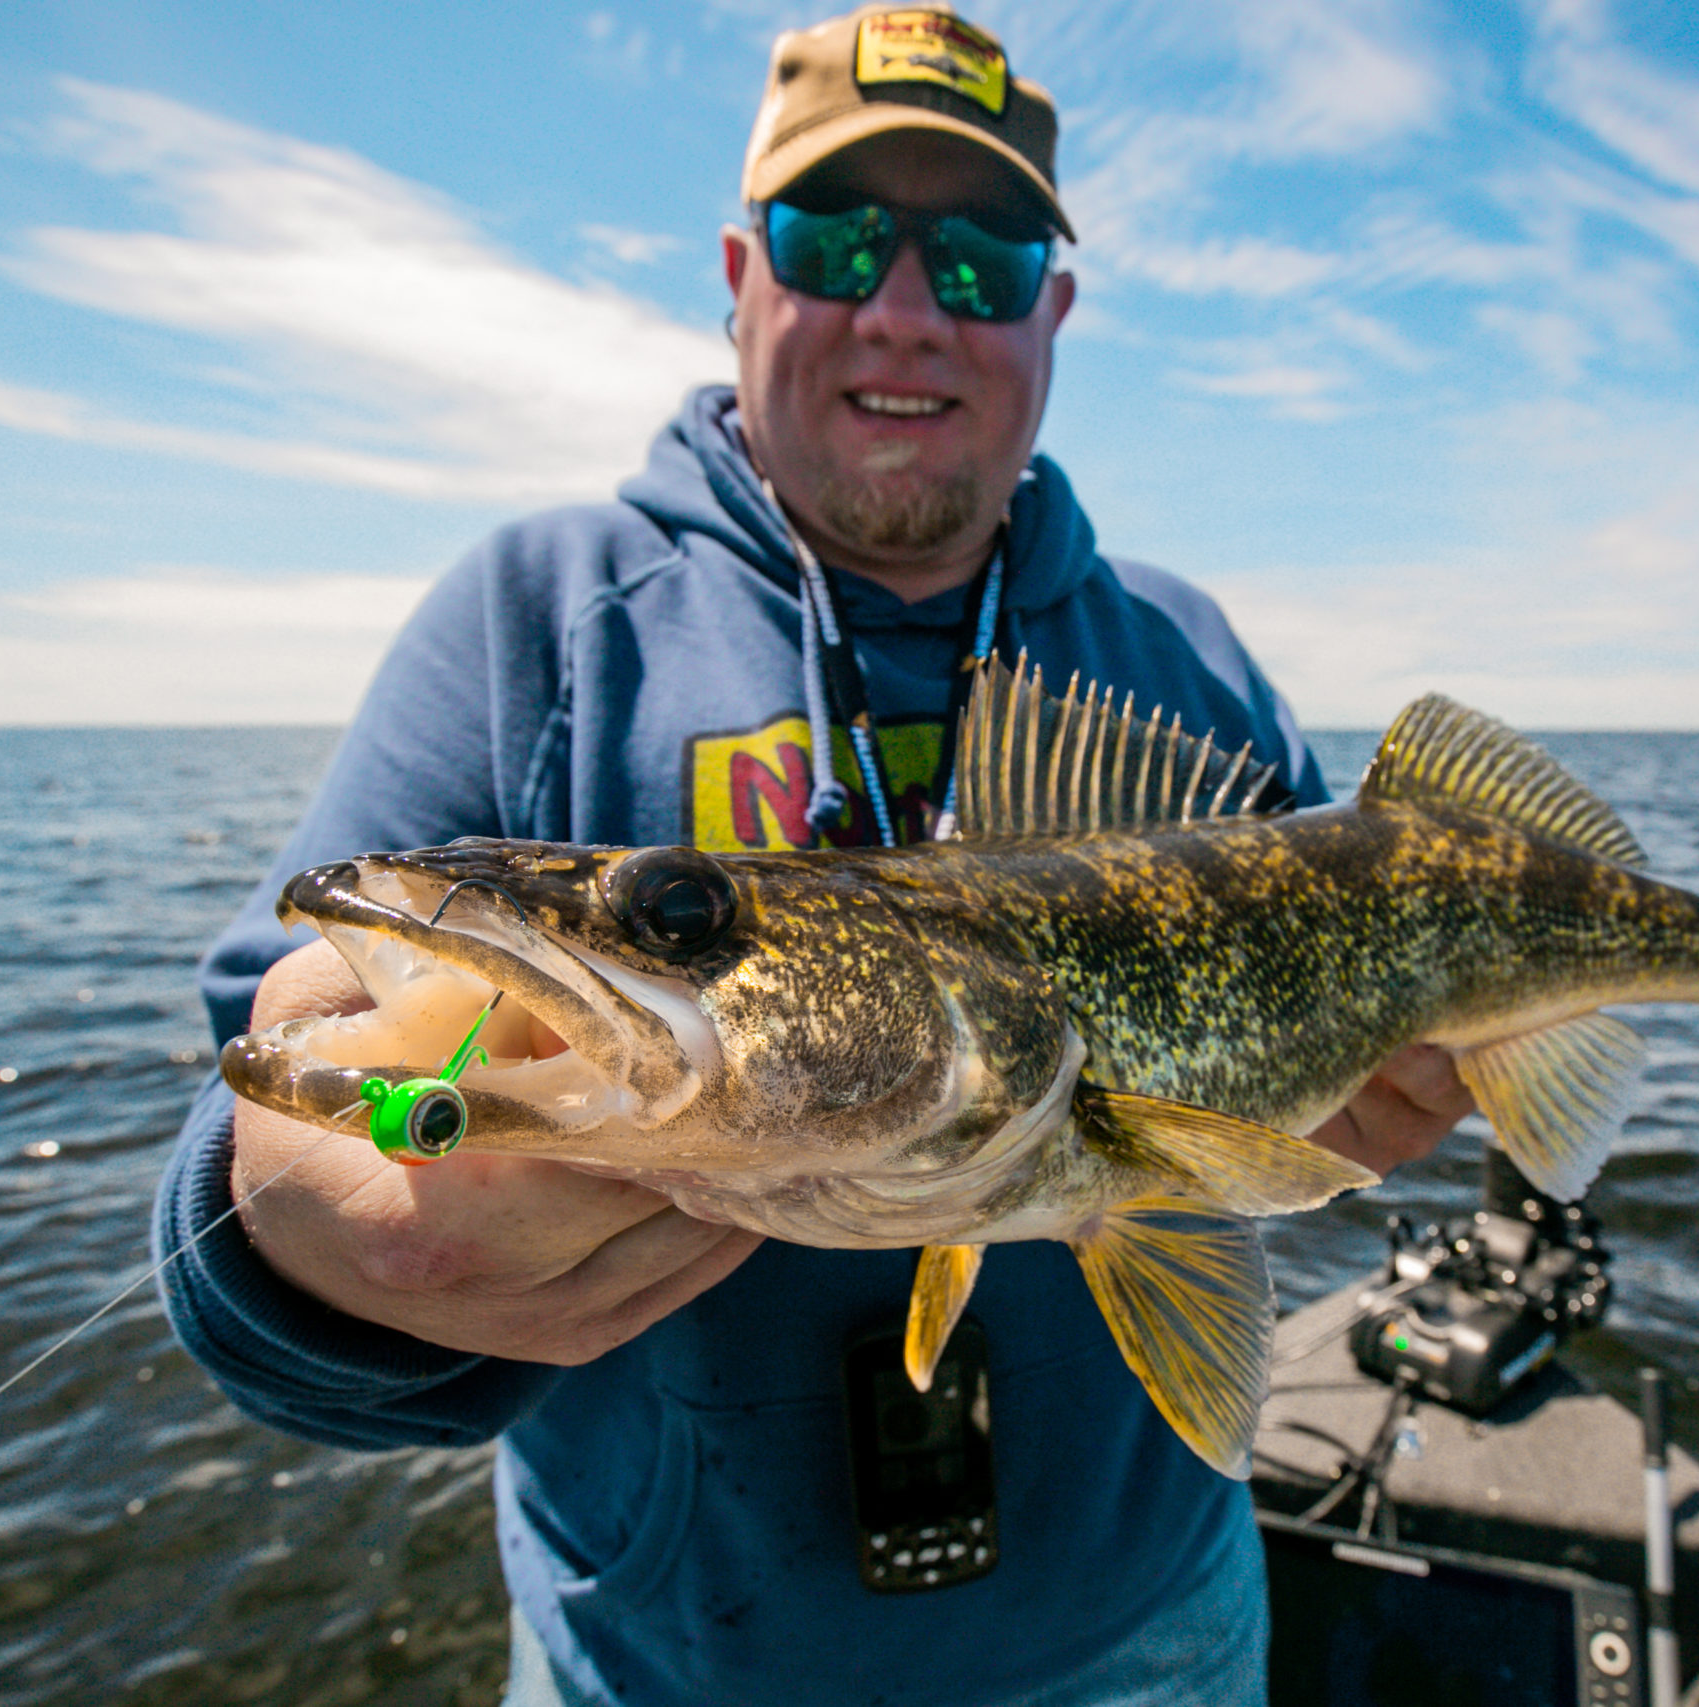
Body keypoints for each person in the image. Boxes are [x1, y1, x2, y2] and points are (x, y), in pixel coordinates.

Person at [152, 6, 1472, 1703]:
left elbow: (1287, 1142)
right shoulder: (535, 625)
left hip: (1152, 1635)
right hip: (665, 1665)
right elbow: (270, 1098)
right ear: (739, 271)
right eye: (835, 236)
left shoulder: (1189, 656)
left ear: (1052, 312)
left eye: (984, 256)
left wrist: (1378, 1116)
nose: (905, 307)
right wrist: (309, 1244)